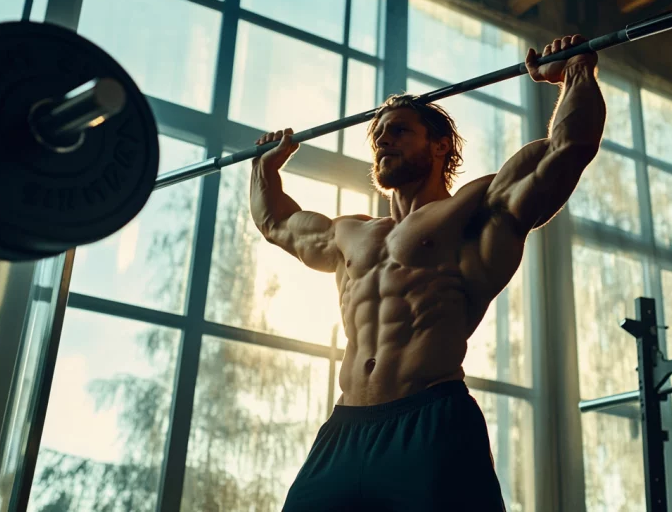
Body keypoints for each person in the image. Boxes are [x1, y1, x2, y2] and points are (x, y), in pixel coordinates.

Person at [250, 35, 606, 511]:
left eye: (398, 130)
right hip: (345, 428)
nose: (383, 139)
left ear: (439, 145)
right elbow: (276, 224)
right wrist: (264, 167)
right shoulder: (349, 233)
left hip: (430, 422)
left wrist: (576, 72)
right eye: (378, 134)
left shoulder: (475, 211)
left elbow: (568, 147)